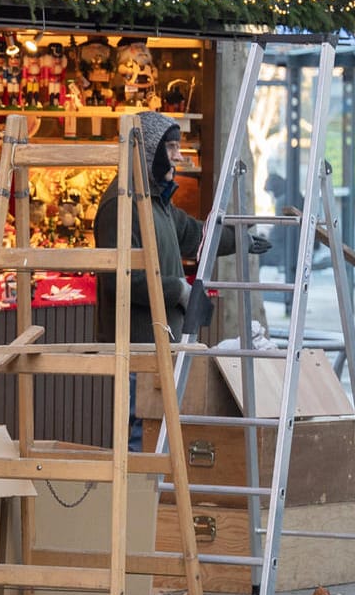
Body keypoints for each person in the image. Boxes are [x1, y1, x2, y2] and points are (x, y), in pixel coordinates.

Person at [91, 111, 254, 448]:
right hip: (137, 347)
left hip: (161, 344)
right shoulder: (120, 205)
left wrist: (241, 240)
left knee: (158, 436)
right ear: (149, 151)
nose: (179, 156)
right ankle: (137, 501)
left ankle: (151, 500)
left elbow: (194, 234)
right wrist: (177, 289)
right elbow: (120, 280)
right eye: (171, 148)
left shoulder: (156, 202)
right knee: (140, 435)